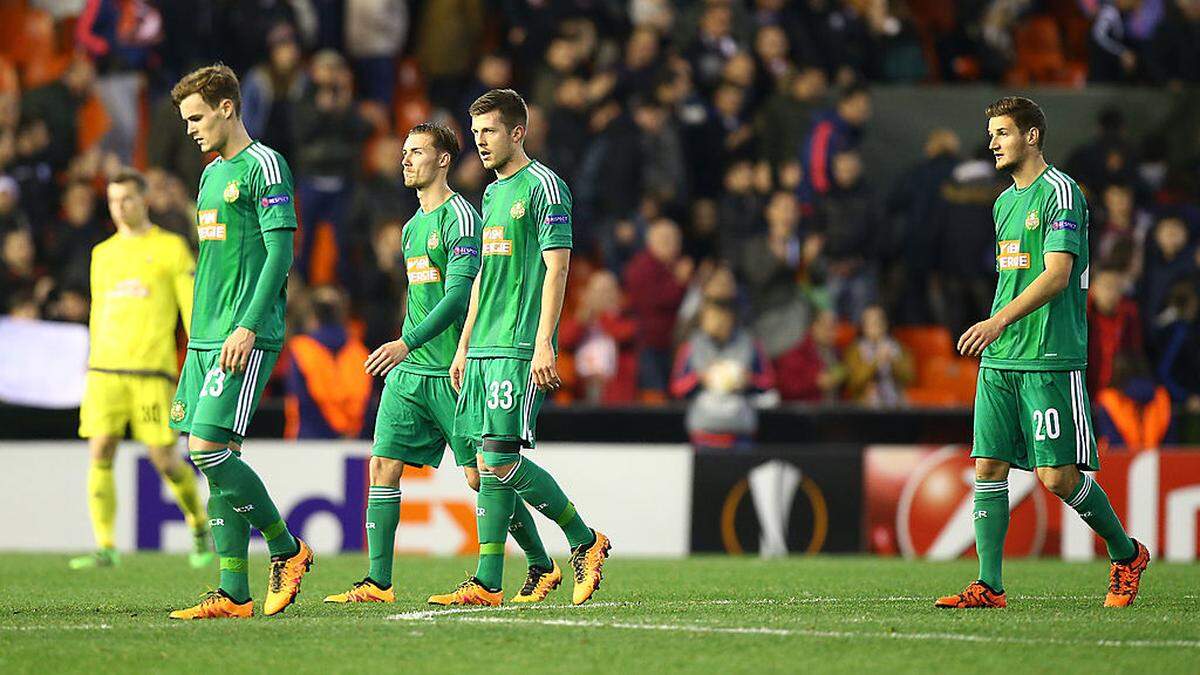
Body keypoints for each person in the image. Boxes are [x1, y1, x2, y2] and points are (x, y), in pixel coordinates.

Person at [323, 122, 555, 605]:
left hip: (453, 369)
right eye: (403, 152)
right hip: (410, 374)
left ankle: (539, 561)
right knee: (383, 465)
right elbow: (421, 299)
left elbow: (457, 297)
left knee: (481, 475)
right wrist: (408, 348)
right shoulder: (410, 230)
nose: (405, 160)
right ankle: (378, 582)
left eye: (417, 152)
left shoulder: (463, 218)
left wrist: (407, 342)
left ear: (444, 159)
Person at [938, 97, 1149, 610]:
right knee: (988, 465)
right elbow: (1014, 276)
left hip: (1049, 355)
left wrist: (997, 320)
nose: (992, 142)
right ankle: (990, 586)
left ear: (1032, 136)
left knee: (1056, 477)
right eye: (990, 133)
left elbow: (1056, 275)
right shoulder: (1002, 202)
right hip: (1000, 357)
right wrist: (998, 328)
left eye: (1003, 132)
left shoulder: (1063, 192)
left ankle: (1126, 554)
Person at [428, 89, 611, 607]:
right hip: (483, 345)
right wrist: (463, 345)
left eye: (489, 131)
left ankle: (583, 540)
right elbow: (484, 275)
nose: (479, 141)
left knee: (501, 462)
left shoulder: (545, 187)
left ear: (517, 132)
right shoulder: (490, 194)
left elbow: (558, 266)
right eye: (476, 131)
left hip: (517, 344)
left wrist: (544, 343)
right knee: (485, 467)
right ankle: (497, 578)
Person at [166, 64, 312, 620]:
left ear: (228, 107)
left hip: (242, 335)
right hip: (205, 338)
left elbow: (280, 254)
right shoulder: (208, 176)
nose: (191, 129)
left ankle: (286, 547)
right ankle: (233, 593)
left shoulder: (266, 166)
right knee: (214, 457)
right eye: (185, 121)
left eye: (197, 117)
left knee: (208, 449)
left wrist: (247, 325)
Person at [70, 169, 211, 571]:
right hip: (104, 372)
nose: (120, 207)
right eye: (113, 200)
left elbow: (191, 313)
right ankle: (106, 546)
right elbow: (101, 312)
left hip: (151, 372)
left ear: (144, 200)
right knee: (100, 451)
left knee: (165, 459)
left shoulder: (172, 249)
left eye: (127, 199)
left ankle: (199, 523)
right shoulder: (103, 253)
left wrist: (196, 363)